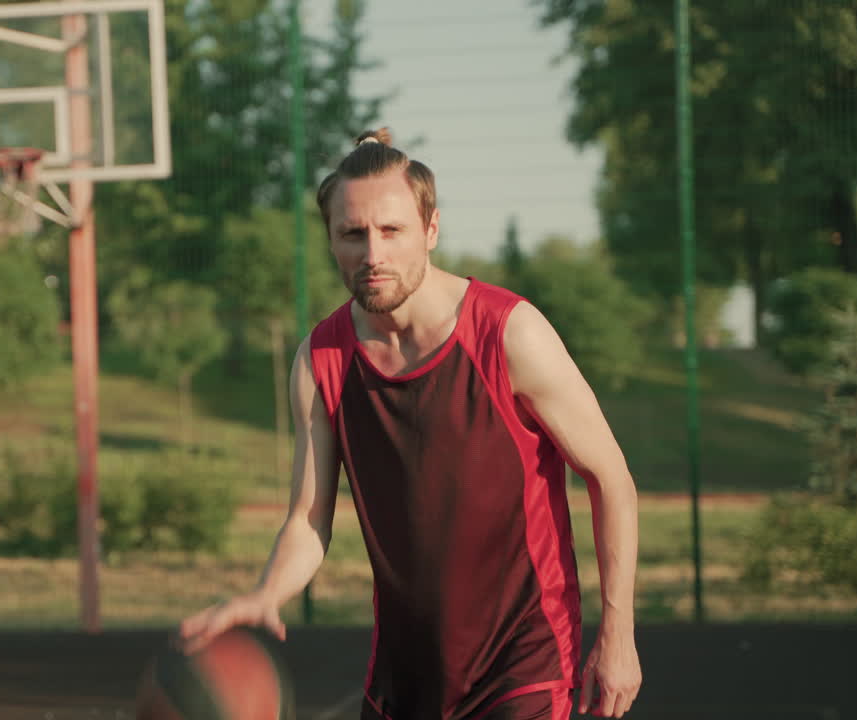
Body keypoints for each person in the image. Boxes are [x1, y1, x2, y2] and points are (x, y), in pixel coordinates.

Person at [180, 129, 641, 719]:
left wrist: (619, 632)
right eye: (352, 234)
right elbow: (307, 517)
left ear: (430, 230)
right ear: (330, 239)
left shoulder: (507, 332)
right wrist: (266, 593)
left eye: (391, 231)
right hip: (406, 675)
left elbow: (612, 478)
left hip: (523, 662)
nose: (372, 254)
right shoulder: (321, 360)